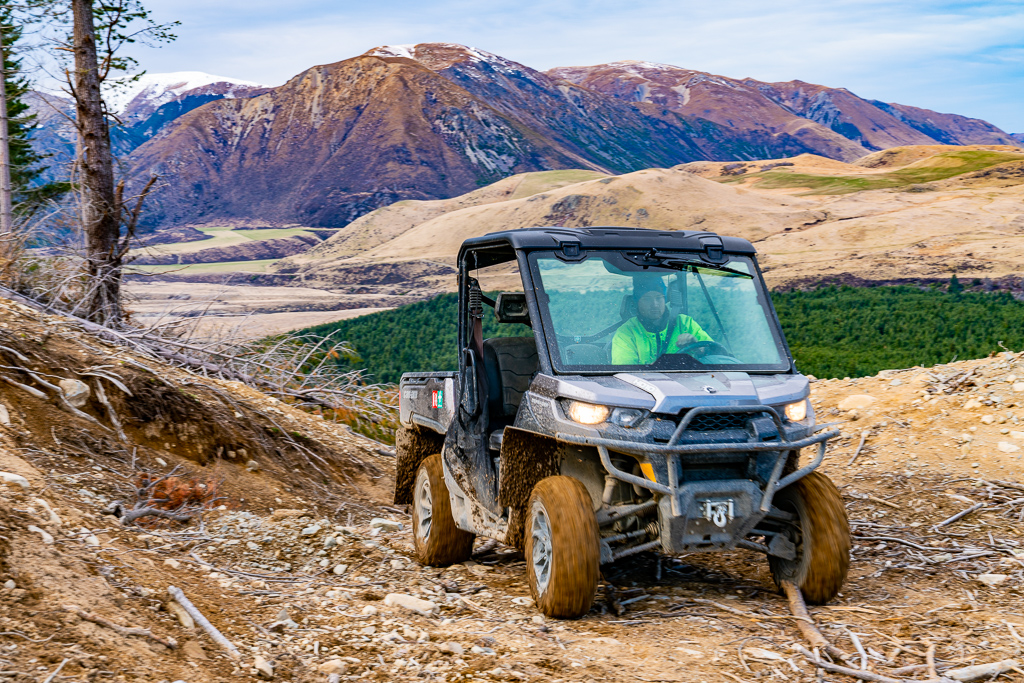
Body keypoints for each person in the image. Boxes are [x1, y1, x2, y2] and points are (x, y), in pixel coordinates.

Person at [611, 277, 712, 365]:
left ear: (665, 300)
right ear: (637, 302)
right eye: (647, 299)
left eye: (659, 298)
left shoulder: (685, 323)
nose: (654, 304)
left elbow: (716, 354)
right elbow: (625, 371)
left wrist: (699, 348)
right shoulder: (626, 332)